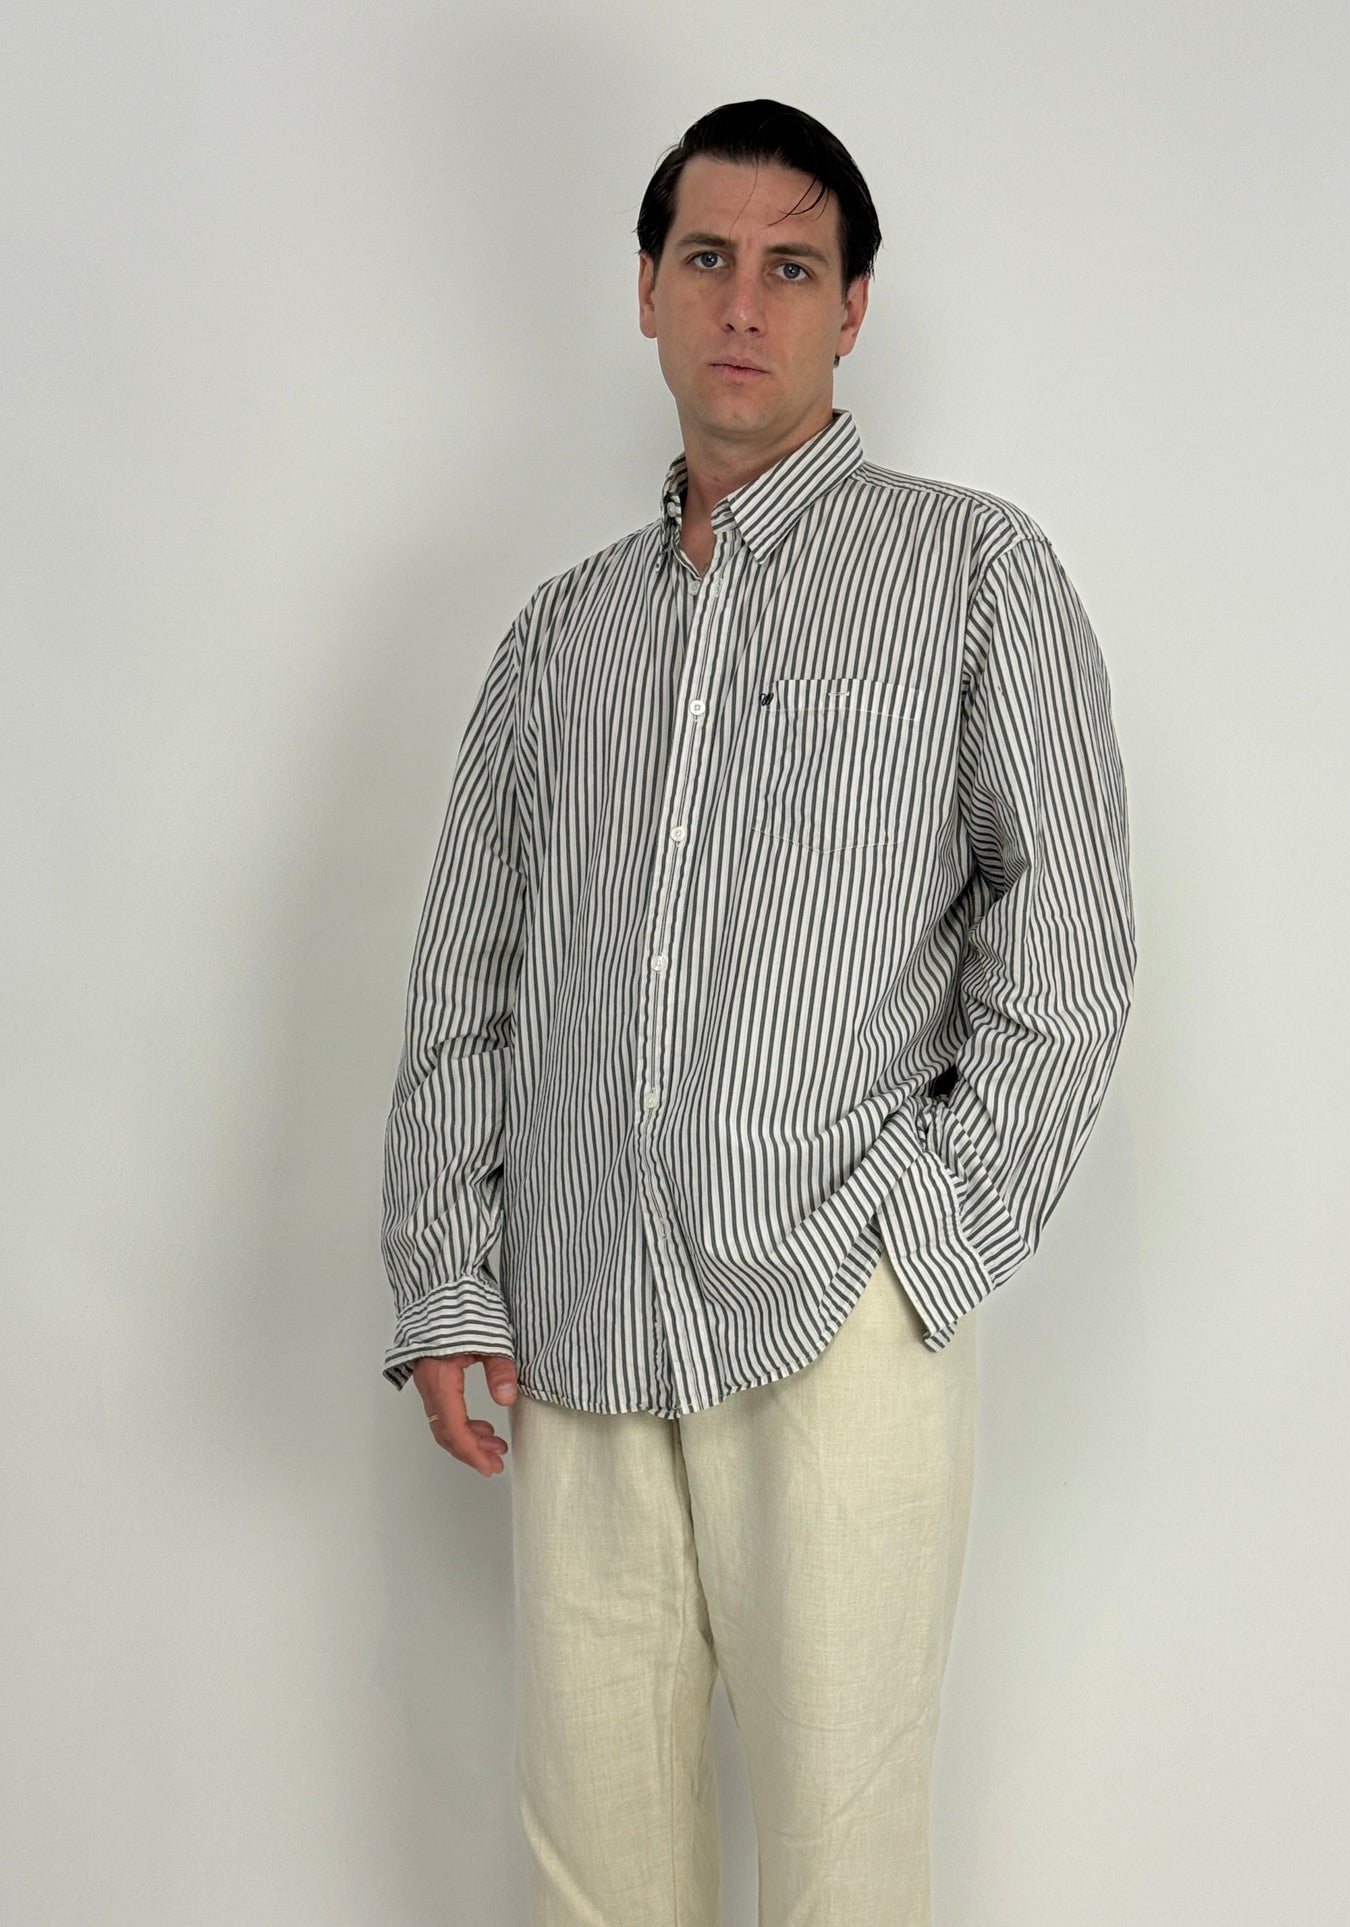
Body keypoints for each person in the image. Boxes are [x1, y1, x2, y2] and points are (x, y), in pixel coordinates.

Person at [378, 97, 1136, 1927]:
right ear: (644, 287)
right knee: (592, 1868)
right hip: (579, 1320)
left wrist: (920, 1243)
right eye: (706, 258)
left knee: (836, 1863)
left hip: (831, 1311)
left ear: (852, 307)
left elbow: (1070, 935)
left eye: (791, 268)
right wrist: (448, 1275)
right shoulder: (558, 638)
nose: (742, 303)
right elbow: (466, 973)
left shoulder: (972, 573)